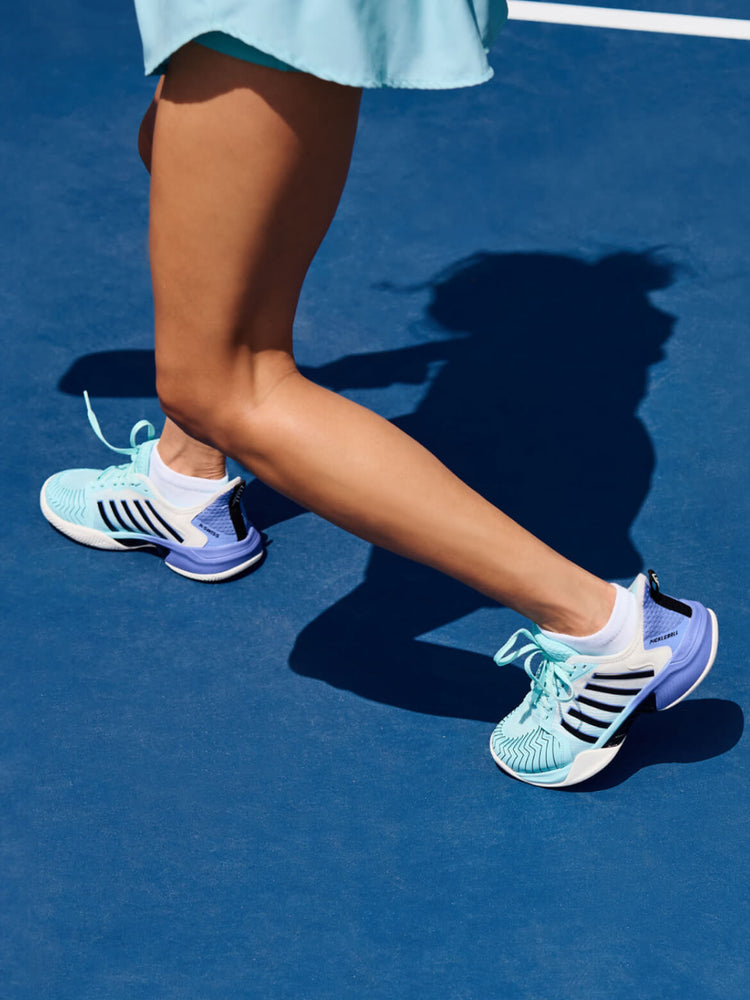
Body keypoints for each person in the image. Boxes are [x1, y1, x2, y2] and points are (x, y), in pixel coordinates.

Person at [40, 2, 718, 787]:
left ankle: (611, 637)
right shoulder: (595, 389)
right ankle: (181, 480)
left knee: (222, 388)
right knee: (176, 151)